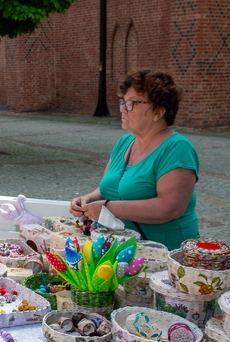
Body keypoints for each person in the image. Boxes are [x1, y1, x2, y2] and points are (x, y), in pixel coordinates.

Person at [70, 69, 199, 250]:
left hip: (161, 252)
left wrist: (108, 207)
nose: (122, 109)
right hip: (121, 249)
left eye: (132, 103)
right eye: (123, 102)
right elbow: (109, 187)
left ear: (158, 112)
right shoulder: (125, 142)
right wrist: (87, 199)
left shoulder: (177, 148)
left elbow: (170, 207)